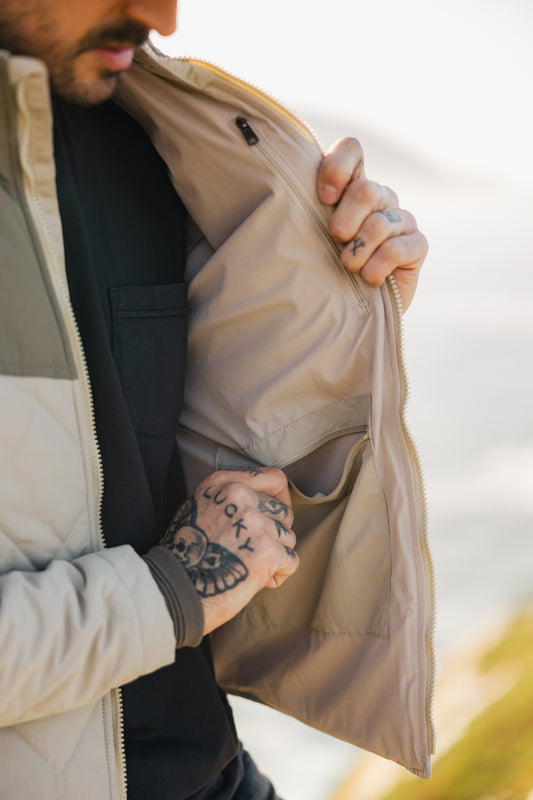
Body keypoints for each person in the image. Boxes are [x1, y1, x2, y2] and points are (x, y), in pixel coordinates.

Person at [0, 1, 430, 798]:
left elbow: (182, 447)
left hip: (215, 775)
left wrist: (350, 300)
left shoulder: (141, 132)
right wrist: (175, 591)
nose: (161, 17)